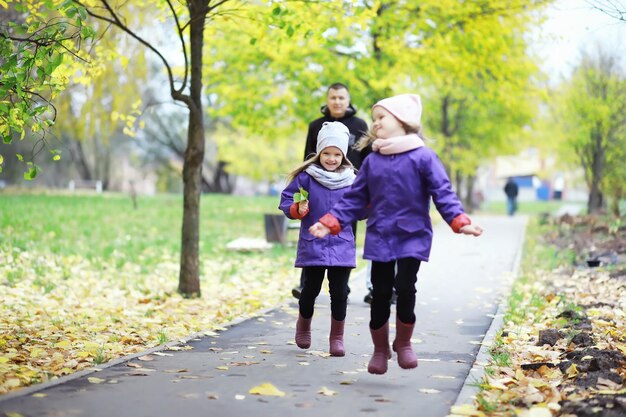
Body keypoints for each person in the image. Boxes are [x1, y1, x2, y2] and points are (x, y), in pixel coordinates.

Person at [308, 93, 483, 375]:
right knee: (379, 293)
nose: (375, 124)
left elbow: (443, 192)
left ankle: (403, 343)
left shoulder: (423, 156)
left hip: (412, 234)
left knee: (404, 287)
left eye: (381, 118)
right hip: (380, 235)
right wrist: (330, 221)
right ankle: (380, 350)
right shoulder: (374, 161)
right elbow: (354, 197)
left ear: (402, 122)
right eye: (375, 118)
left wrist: (460, 221)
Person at [279, 121, 361, 357]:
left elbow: (361, 207)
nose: (332, 158)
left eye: (337, 154)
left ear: (343, 155)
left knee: (340, 291)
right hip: (313, 242)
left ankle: (337, 337)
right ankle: (303, 326)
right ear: (319, 153)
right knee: (310, 289)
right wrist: (297, 208)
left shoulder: (352, 180)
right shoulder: (307, 178)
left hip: (341, 244)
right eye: (327, 153)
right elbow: (287, 199)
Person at [293, 82, 373, 303]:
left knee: (345, 235)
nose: (337, 101)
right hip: (318, 186)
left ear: (348, 101)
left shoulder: (359, 125)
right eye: (333, 97)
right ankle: (305, 284)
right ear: (327, 100)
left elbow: (367, 159)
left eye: (341, 98)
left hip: (348, 189)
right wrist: (303, 193)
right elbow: (308, 157)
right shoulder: (315, 125)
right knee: (311, 230)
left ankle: (341, 285)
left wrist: (365, 187)